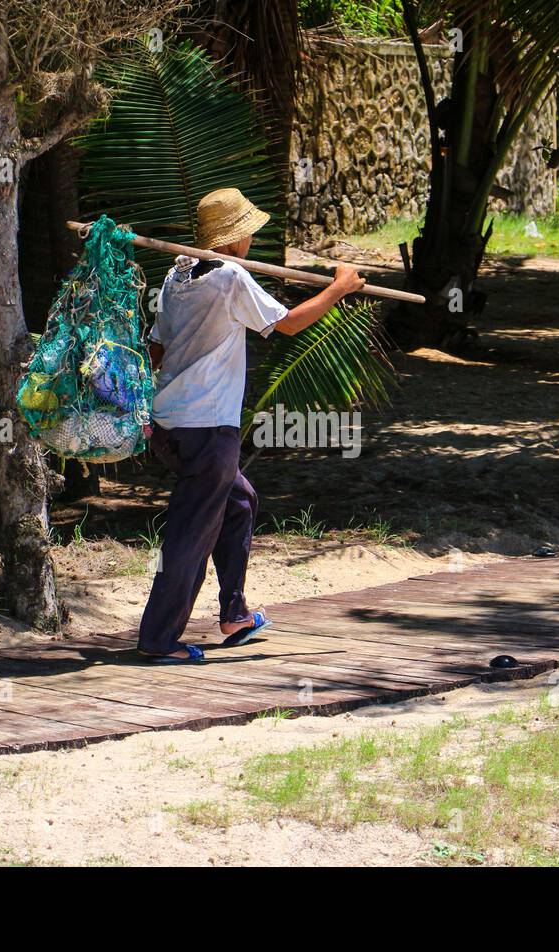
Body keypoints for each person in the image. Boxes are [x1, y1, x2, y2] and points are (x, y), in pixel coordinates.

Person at [138, 187, 366, 662]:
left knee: (240, 502)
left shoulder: (175, 277)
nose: (251, 243)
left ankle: (235, 613)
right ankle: (159, 638)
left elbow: (156, 349)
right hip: (208, 430)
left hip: (170, 427)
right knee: (189, 533)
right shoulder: (231, 278)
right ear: (236, 238)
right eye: (248, 234)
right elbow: (286, 324)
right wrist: (340, 288)